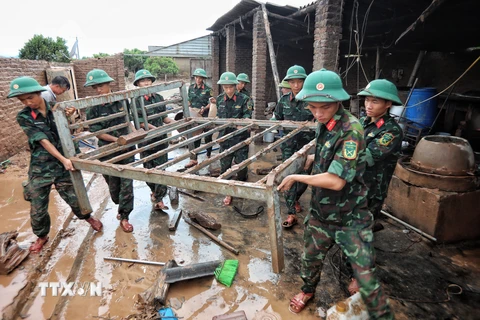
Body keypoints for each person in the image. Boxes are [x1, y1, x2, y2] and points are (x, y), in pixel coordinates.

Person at [277, 69, 393, 319]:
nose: (317, 113)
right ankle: (307, 291)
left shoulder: (351, 129)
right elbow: (327, 156)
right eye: (312, 107)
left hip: (349, 213)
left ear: (338, 102)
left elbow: (337, 181)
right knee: (310, 258)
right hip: (321, 210)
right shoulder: (325, 124)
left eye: (324, 107)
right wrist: (310, 159)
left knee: (361, 262)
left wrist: (296, 177)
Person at [8, 76, 103, 253]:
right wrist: (64, 160)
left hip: (63, 165)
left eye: (30, 98)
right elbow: (43, 140)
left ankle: (88, 218)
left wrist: (70, 117)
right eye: (22, 100)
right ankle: (41, 236)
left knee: (74, 197)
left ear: (39, 93)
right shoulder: (24, 116)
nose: (28, 103)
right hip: (41, 166)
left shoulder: (57, 109)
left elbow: (68, 132)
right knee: (37, 204)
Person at [347, 79, 404, 295]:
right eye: (367, 100)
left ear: (388, 104)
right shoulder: (364, 121)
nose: (369, 105)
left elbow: (367, 156)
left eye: (375, 101)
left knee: (363, 233)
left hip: (372, 189)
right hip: (358, 184)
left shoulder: (391, 132)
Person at [84, 69, 135, 233]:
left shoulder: (121, 101)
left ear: (108, 84)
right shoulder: (92, 107)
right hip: (108, 150)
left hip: (126, 147)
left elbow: (128, 120)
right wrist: (116, 140)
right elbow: (97, 132)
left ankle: (125, 216)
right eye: (95, 87)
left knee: (127, 182)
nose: (98, 90)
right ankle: (119, 203)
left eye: (101, 86)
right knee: (114, 186)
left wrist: (133, 134)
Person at [273, 65, 315, 229]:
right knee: (288, 176)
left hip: (307, 146)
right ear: (288, 83)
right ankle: (291, 212)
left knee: (304, 177)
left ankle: (296, 197)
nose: (296, 86)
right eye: (293, 82)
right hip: (289, 146)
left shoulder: (311, 100)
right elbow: (276, 119)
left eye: (299, 82)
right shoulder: (283, 101)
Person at [133, 69, 175, 211]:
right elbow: (140, 122)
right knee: (148, 169)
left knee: (161, 169)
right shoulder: (135, 100)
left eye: (148, 80)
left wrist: (173, 122)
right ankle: (154, 191)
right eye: (142, 81)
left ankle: (159, 199)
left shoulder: (158, 98)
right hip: (145, 139)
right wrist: (153, 128)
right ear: (138, 84)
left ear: (152, 82)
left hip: (161, 139)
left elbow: (164, 117)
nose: (146, 83)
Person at [209, 72, 253, 206]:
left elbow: (247, 118)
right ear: (222, 87)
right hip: (225, 140)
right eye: (226, 87)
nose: (228, 90)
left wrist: (242, 124)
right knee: (225, 167)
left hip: (240, 139)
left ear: (236, 85)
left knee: (241, 167)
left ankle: (241, 186)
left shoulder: (245, 99)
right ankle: (228, 193)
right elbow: (217, 119)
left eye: (231, 87)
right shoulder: (220, 99)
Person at [185, 68, 213, 168]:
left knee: (208, 135)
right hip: (194, 115)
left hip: (204, 115)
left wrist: (204, 108)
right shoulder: (191, 88)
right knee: (195, 136)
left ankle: (209, 153)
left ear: (203, 79)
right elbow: (188, 100)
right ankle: (193, 159)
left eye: (200, 78)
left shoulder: (208, 89)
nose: (198, 79)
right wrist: (187, 107)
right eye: (196, 77)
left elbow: (211, 102)